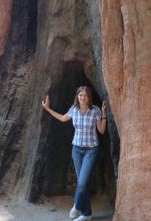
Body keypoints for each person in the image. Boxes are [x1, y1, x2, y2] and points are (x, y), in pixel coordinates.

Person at [42, 86, 107, 221]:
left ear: (89, 97)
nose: (83, 98)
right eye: (80, 95)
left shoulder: (95, 110)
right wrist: (47, 109)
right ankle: (87, 214)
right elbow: (62, 118)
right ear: (77, 97)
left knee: (82, 182)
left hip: (91, 149)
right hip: (76, 150)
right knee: (82, 183)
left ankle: (76, 206)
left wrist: (104, 114)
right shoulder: (74, 110)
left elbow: (101, 130)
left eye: (85, 95)